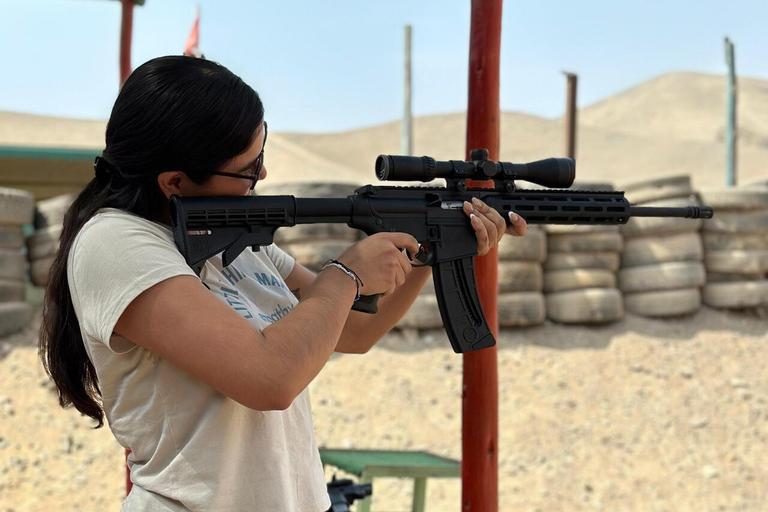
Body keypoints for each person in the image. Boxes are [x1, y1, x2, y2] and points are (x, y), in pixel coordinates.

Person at [38, 55, 528, 512]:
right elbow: (270, 378)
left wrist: (433, 248)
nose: (263, 174)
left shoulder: (236, 241)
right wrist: (347, 274)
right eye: (248, 168)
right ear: (175, 182)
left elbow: (351, 332)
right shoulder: (115, 244)